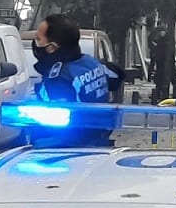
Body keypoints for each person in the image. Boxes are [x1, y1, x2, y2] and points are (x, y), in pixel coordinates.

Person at [30, 14, 118, 144]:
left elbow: (62, 124)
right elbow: (116, 77)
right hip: (99, 141)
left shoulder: (59, 80)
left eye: (38, 39)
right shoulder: (91, 63)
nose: (35, 42)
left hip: (65, 149)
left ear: (51, 47)